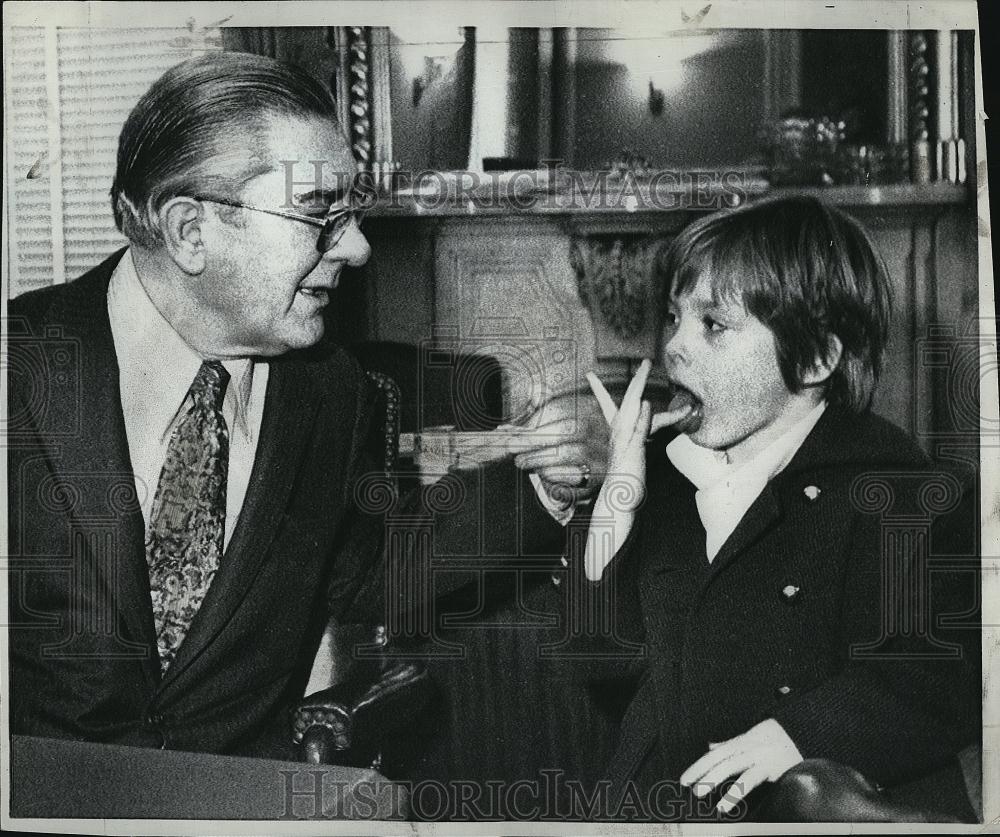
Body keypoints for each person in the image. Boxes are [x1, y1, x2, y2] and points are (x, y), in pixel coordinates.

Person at [6, 51, 603, 758]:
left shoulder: (330, 391)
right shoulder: (21, 368)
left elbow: (371, 571)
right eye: (319, 213)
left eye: (349, 213)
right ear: (191, 231)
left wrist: (544, 483)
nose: (355, 246)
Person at [582, 196, 981, 821]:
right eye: (673, 318)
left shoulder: (894, 489)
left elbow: (928, 683)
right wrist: (619, 489)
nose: (674, 349)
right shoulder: (667, 472)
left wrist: (798, 736)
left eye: (713, 325)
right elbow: (600, 658)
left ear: (816, 359)